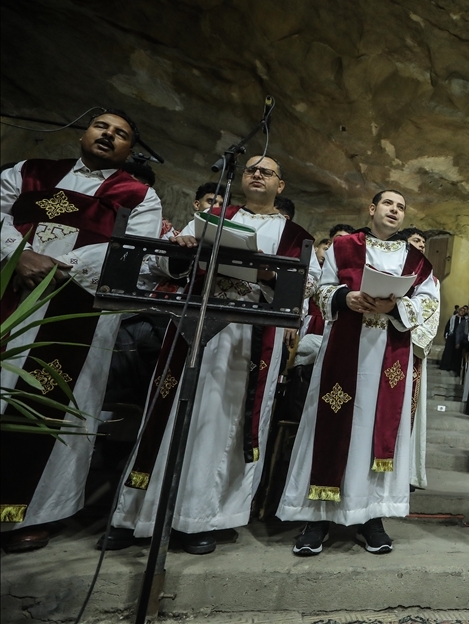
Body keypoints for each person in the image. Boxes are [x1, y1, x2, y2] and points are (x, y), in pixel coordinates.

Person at [106, 154, 319, 555]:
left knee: (220, 428)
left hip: (248, 340)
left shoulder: (295, 237)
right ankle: (137, 516)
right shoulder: (211, 217)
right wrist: (183, 249)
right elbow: (159, 264)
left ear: (281, 185)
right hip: (193, 326)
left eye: (267, 171)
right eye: (251, 169)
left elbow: (304, 289)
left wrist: (269, 273)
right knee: (168, 416)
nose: (257, 174)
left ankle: (200, 518)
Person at [0, 110, 162, 551]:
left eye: (122, 133)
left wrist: (56, 268)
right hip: (9, 296)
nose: (109, 135)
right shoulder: (29, 173)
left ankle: (34, 512)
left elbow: (135, 256)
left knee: (59, 404)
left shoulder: (139, 196)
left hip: (78, 315)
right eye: (101, 127)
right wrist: (19, 255)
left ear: (132, 149)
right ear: (83, 132)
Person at [278, 189, 439, 556]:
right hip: (344, 352)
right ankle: (316, 519)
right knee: (329, 426)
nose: (394, 211)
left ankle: (372, 517)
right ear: (372, 209)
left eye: (401, 207)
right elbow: (321, 289)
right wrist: (343, 298)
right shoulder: (345, 246)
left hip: (389, 358)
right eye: (388, 204)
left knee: (376, 433)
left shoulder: (414, 259)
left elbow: (429, 299)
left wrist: (397, 306)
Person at [401, 226, 438, 490]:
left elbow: (432, 315)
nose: (421, 245)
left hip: (411, 348)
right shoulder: (393, 268)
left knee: (407, 410)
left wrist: (409, 335)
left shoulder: (431, 280)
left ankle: (407, 471)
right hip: (385, 343)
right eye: (416, 241)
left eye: (424, 242)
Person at [439, 305, 468, 373]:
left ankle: (454, 367)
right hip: (451, 336)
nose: (462, 312)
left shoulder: (464, 320)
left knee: (457, 353)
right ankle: (446, 366)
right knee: (449, 351)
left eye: (463, 311)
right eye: (461, 310)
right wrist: (446, 334)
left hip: (459, 338)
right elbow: (448, 326)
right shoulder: (453, 318)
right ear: (458, 311)